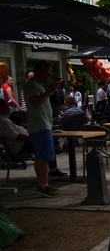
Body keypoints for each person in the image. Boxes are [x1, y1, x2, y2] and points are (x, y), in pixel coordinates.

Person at [24, 60, 65, 196]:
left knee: (45, 156)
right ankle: (43, 185)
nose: (48, 75)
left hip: (44, 125)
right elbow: (35, 102)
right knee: (43, 157)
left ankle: (43, 183)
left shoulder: (39, 85)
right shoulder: (32, 85)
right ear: (37, 71)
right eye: (46, 72)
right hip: (40, 127)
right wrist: (49, 92)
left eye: (50, 73)